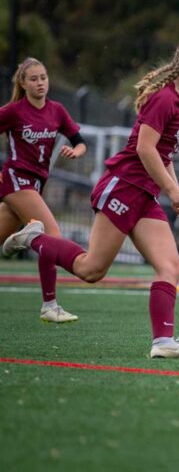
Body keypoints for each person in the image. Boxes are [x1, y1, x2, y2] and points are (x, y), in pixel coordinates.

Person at [3, 36, 179, 358]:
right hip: (122, 186)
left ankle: (162, 343)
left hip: (145, 194)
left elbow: (165, 153)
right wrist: (171, 189)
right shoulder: (164, 99)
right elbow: (146, 149)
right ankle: (34, 238)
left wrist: (172, 191)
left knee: (170, 266)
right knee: (92, 270)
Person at [0, 57, 87, 323]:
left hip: (36, 185)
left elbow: (80, 142)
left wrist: (75, 151)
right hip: (16, 180)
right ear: (23, 84)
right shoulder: (14, 111)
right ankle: (49, 305)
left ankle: (20, 238)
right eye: (34, 79)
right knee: (52, 235)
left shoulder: (57, 110)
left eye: (44, 77)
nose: (40, 83)